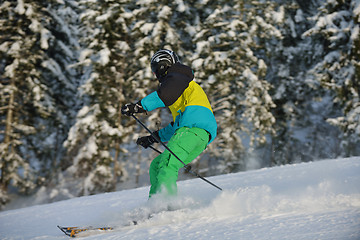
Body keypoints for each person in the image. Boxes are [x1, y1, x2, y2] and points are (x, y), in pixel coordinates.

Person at [121, 49, 217, 198]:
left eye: (155, 71)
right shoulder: (182, 89)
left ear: (162, 65)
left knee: (167, 164)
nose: (155, 75)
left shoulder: (179, 76)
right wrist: (153, 138)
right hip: (197, 136)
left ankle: (166, 205)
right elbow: (177, 125)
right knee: (157, 166)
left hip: (192, 131)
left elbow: (164, 95)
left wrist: (138, 106)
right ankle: (155, 203)